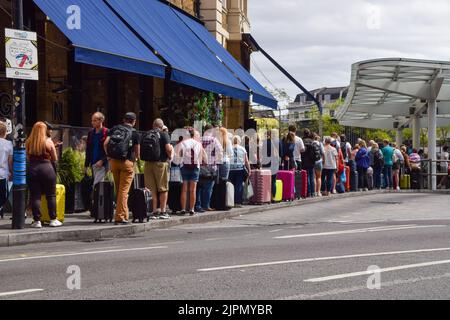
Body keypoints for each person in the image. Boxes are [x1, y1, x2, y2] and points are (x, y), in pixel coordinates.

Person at [104, 112, 140, 225]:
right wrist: (135, 161)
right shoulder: (134, 133)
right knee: (124, 191)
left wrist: (109, 157)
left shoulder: (115, 129)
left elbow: (105, 143)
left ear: (124, 119)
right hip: (127, 162)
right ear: (134, 121)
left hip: (114, 162)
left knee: (119, 190)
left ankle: (124, 215)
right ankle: (119, 217)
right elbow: (137, 152)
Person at [26, 122, 62, 228]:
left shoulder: (28, 142)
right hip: (47, 169)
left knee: (35, 196)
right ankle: (53, 219)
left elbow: (28, 157)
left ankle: (37, 221)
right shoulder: (48, 142)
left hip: (33, 169)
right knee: (51, 195)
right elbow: (54, 158)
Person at [144, 119, 174, 220]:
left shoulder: (147, 133)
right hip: (161, 163)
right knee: (163, 188)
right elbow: (169, 149)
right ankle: (163, 211)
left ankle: (153, 211)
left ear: (153, 125)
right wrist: (170, 157)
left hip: (148, 164)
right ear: (162, 126)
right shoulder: (164, 134)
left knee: (151, 189)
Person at [195, 124, 223, 213]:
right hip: (211, 167)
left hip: (200, 166)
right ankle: (206, 205)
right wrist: (216, 160)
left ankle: (198, 205)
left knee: (199, 187)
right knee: (208, 188)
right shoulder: (214, 140)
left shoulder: (199, 139)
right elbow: (220, 152)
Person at [179, 128, 206, 216]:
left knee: (184, 189)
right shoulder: (198, 144)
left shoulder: (182, 143)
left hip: (184, 167)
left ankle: (183, 209)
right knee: (193, 190)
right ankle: (192, 209)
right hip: (195, 167)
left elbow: (179, 155)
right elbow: (201, 157)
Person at [85, 112, 109, 187]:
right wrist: (86, 165)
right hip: (93, 163)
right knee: (97, 186)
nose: (92, 123)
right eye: (92, 121)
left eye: (95, 120)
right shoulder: (91, 133)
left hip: (102, 164)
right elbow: (88, 149)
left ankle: (94, 199)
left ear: (101, 120)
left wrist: (103, 160)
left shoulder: (107, 132)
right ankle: (96, 198)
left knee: (97, 186)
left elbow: (110, 150)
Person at [229, 135, 251, 207]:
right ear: (239, 141)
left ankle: (230, 202)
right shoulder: (242, 149)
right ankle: (237, 202)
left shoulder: (229, 148)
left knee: (230, 186)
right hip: (240, 169)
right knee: (238, 186)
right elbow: (246, 161)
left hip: (230, 169)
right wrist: (249, 169)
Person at [0, 122, 13, 219]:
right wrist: (12, 172)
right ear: (5, 132)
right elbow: (10, 161)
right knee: (4, 195)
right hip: (3, 174)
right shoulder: (8, 144)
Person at [301, 129, 319, 198]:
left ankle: (307, 192)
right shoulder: (312, 141)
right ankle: (313, 192)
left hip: (304, 161)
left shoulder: (302, 141)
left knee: (306, 176)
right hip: (312, 161)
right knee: (312, 177)